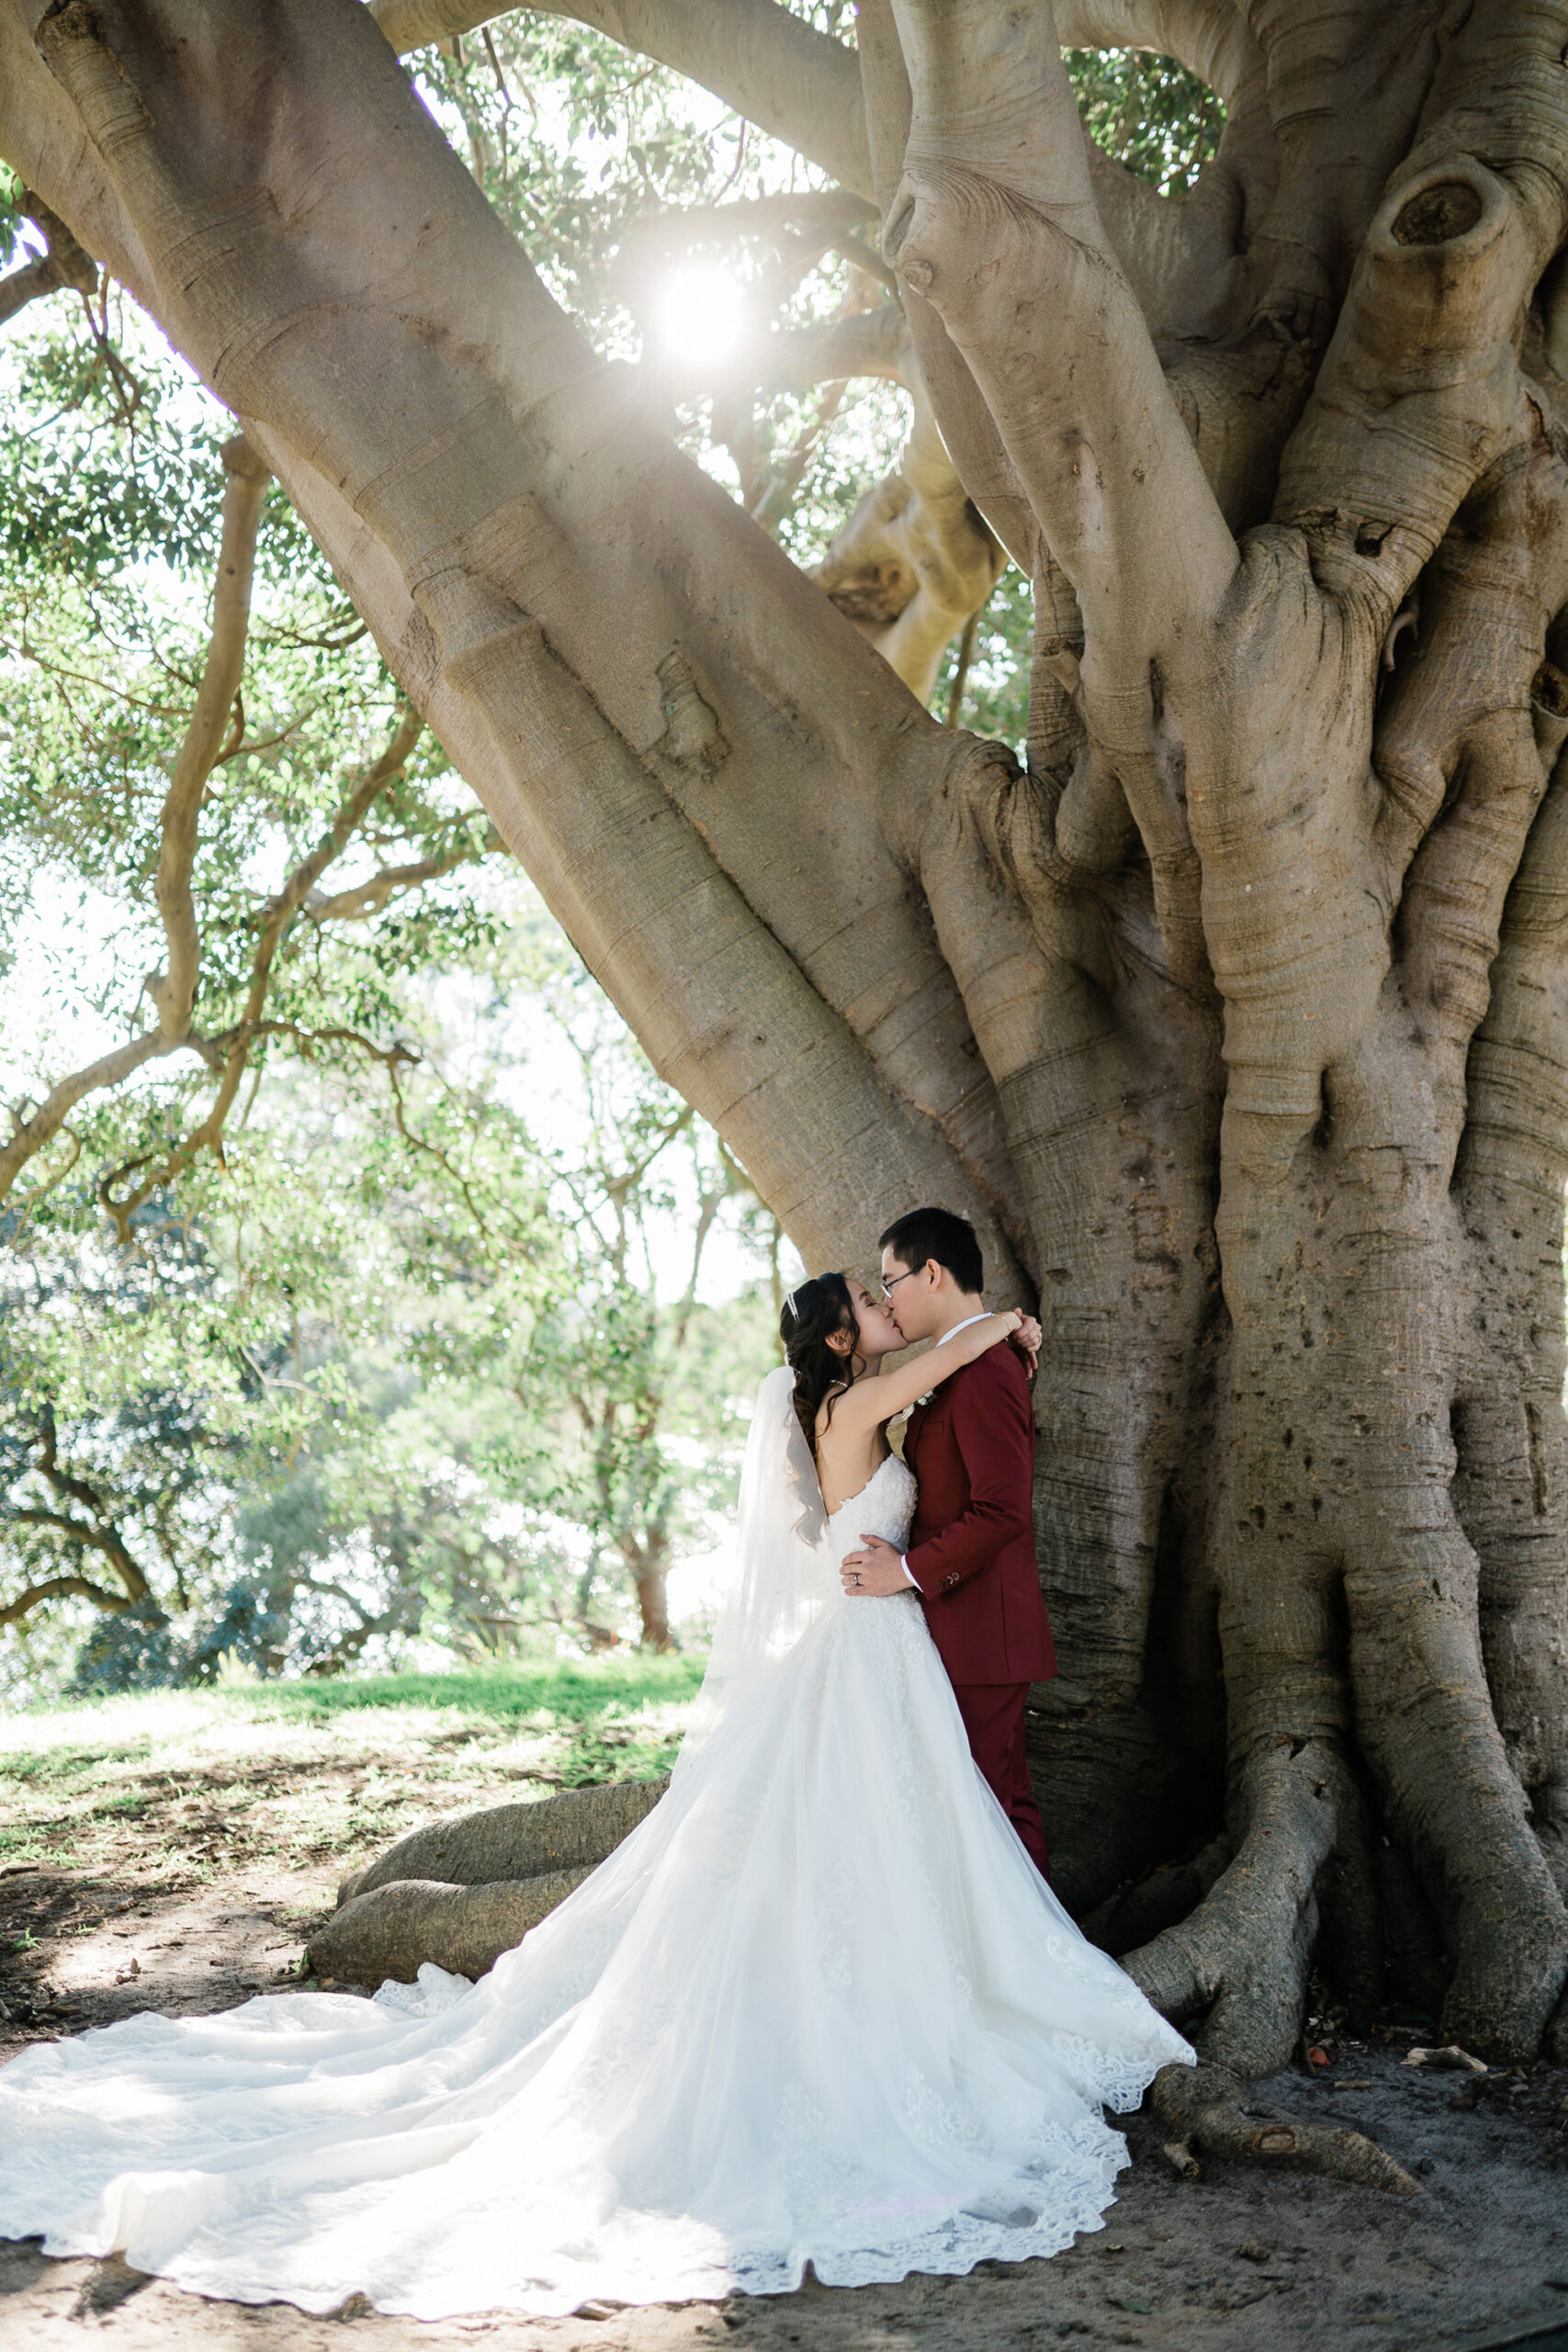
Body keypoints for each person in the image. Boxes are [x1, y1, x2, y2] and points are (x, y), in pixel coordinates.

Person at [0, 1263, 1191, 2322]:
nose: (883, 1310)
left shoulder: (835, 1400)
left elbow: (923, 1389)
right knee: (862, 1830)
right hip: (858, 1652)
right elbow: (938, 1359)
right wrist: (1003, 1323)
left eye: (889, 1292)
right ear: (838, 1343)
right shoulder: (850, 1403)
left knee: (872, 1833)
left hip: (865, 1651)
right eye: (865, 1305)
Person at [840, 1205, 1055, 1876]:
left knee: (988, 1810)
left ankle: (1037, 1966)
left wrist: (903, 1571)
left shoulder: (985, 1367)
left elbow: (1000, 1512)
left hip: (981, 1635)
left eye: (890, 1280)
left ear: (930, 1273)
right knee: (985, 1807)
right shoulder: (964, 1363)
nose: (888, 1299)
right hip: (956, 1631)